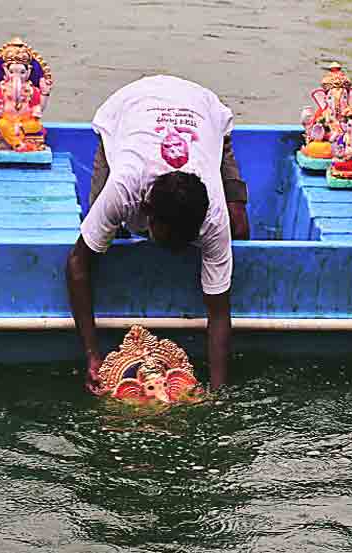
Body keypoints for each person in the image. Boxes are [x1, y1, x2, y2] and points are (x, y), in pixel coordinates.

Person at [67, 75, 248, 394]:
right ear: (147, 213)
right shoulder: (124, 188)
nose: (176, 252)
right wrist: (92, 355)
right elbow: (78, 265)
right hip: (129, 108)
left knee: (241, 228)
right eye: (169, 241)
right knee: (103, 234)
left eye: (186, 241)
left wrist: (218, 393)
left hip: (201, 108)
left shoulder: (214, 215)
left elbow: (219, 313)